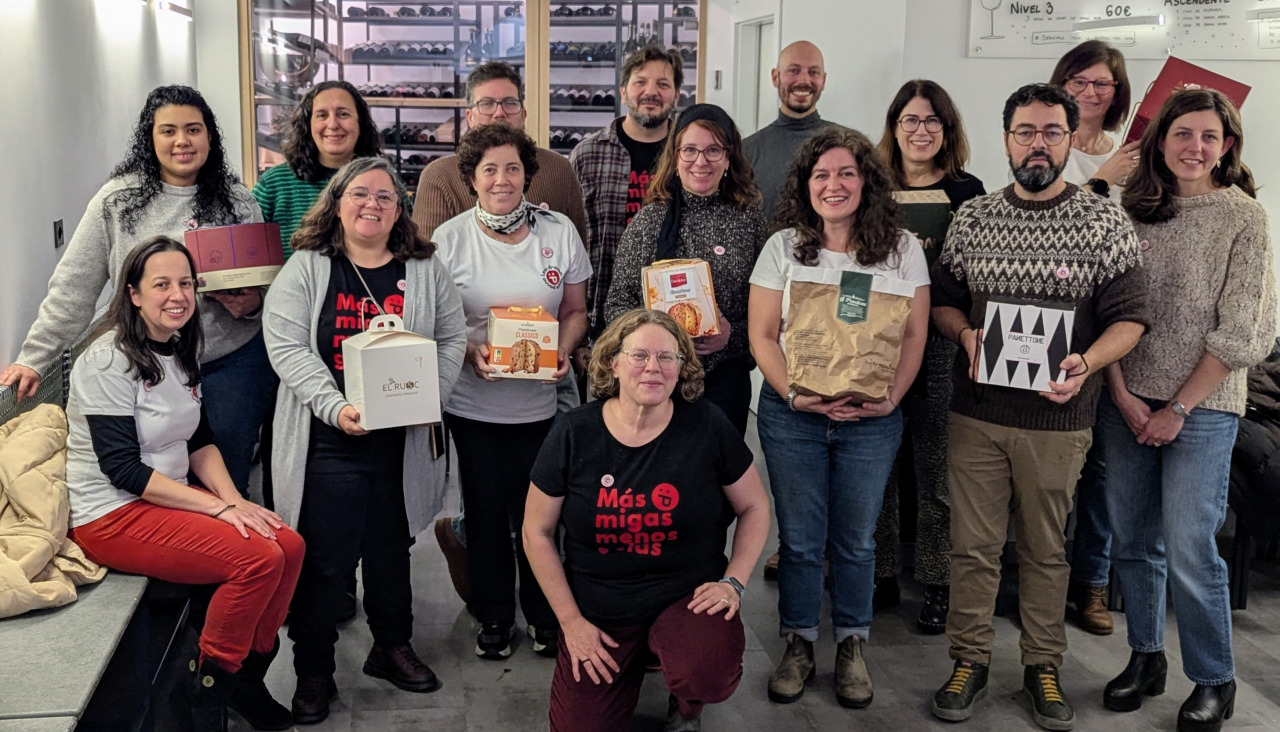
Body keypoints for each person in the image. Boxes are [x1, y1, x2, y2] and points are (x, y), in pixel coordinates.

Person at [927, 83, 1148, 731]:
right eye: (1026, 132)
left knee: (1047, 549)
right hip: (977, 416)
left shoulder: (1104, 220)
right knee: (973, 548)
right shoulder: (974, 218)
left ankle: (1042, 666)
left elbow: (1130, 320)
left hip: (1059, 420)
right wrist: (964, 333)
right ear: (1006, 139)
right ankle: (968, 660)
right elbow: (943, 300)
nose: (1038, 144)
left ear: (1070, 138)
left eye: (1053, 132)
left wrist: (1089, 361)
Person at [65, 237, 303, 732]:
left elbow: (200, 439)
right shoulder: (108, 359)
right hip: (111, 512)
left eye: (186, 283)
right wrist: (215, 510)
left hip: (164, 499)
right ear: (132, 293)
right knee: (257, 558)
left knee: (290, 544)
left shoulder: (179, 346)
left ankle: (244, 682)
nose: (178, 295)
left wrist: (235, 499)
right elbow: (122, 469)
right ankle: (203, 690)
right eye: (162, 284)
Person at [262, 157, 467, 725]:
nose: (371, 204)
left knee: (390, 547)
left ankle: (391, 646)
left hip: (399, 441)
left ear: (400, 208)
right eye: (360, 194)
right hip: (328, 437)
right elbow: (286, 349)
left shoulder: (423, 267)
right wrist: (337, 407)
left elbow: (450, 339)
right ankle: (314, 672)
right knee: (326, 561)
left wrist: (430, 393)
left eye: (385, 196)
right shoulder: (307, 267)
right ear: (337, 201)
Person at [0, 85, 272, 497]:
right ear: (150, 138)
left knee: (227, 477)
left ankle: (230, 553)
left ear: (210, 137)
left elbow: (264, 288)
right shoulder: (117, 201)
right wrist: (35, 358)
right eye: (168, 131)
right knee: (155, 481)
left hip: (227, 364)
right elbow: (75, 286)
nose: (182, 141)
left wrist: (251, 304)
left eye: (194, 130)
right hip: (146, 366)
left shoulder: (237, 201)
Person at [1102, 89, 1275, 732]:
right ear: (1160, 141)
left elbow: (1243, 335)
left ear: (1226, 146)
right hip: (1125, 399)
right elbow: (1107, 312)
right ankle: (1145, 657)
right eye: (1182, 134)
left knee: (1189, 546)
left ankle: (1213, 678)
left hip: (1202, 407)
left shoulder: (1243, 218)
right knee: (1132, 539)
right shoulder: (1132, 211)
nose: (1194, 147)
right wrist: (1120, 391)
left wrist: (1176, 406)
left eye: (1209, 136)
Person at [748, 126, 930, 709]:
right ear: (805, 186)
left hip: (872, 419)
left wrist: (891, 400)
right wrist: (795, 396)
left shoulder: (903, 249)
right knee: (800, 541)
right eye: (821, 175)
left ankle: (852, 645)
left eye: (846, 173)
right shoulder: (783, 248)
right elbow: (760, 335)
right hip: (792, 414)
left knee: (855, 541)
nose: (834, 185)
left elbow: (916, 334)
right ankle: (798, 643)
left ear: (866, 181)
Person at [523, 308, 769, 732]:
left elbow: (755, 507)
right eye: (639, 356)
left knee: (705, 670)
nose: (653, 368)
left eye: (667, 357)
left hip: (687, 597)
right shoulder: (573, 432)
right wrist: (571, 623)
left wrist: (734, 582)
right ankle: (638, 659)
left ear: (681, 368)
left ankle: (687, 702)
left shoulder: (708, 425)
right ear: (613, 363)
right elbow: (537, 531)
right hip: (601, 606)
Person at [411, 61, 589, 606]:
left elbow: (577, 310)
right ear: (472, 178)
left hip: (543, 402)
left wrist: (563, 348)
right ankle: (491, 615)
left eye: (512, 169)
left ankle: (542, 612)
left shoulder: (557, 232)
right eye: (489, 171)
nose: (502, 181)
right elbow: (436, 326)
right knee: (485, 514)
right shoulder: (449, 240)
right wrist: (467, 350)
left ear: (526, 174)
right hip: (475, 404)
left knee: (540, 515)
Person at [871, 80, 985, 632]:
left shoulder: (970, 192)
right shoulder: (870, 187)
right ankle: (882, 572)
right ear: (894, 127)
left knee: (940, 470)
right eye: (910, 120)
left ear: (947, 130)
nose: (921, 131)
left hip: (943, 348)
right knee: (879, 467)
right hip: (877, 346)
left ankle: (939, 581)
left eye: (932, 121)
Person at [1049, 40, 1141, 636]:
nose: (1089, 93)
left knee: (1102, 471)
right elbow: (1052, 228)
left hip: (1110, 327)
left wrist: (1113, 179)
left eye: (1102, 84)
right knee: (1052, 472)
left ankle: (1092, 585)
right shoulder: (1047, 148)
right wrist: (1100, 185)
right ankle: (1045, 582)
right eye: (1079, 81)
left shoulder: (1133, 158)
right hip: (1047, 329)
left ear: (1117, 93)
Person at [604, 104, 766, 436]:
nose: (700, 162)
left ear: (729, 157)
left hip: (726, 381)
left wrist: (730, 337)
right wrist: (653, 339)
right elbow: (616, 305)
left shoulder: (748, 220)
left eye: (713, 151)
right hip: (658, 380)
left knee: (719, 479)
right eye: (689, 150)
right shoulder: (650, 221)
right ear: (675, 157)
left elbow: (769, 311)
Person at [572, 45, 683, 341]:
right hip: (601, 317)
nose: (651, 92)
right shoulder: (588, 154)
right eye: (640, 82)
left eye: (663, 84)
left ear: (676, 95)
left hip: (675, 313)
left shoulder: (689, 156)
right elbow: (572, 241)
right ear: (623, 92)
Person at [253, 80, 384, 256]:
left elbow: (407, 246)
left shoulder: (384, 184)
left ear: (360, 123)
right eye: (322, 115)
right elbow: (247, 251)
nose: (333, 125)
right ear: (308, 125)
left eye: (343, 114)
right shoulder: (274, 185)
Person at [743, 40, 838, 221]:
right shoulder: (747, 152)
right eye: (794, 71)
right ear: (775, 77)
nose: (804, 80)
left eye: (813, 72)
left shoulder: (849, 147)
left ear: (823, 80)